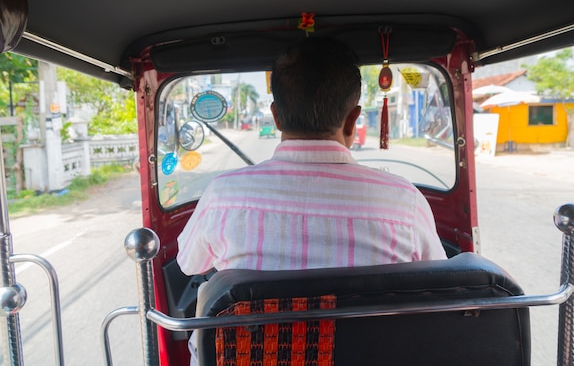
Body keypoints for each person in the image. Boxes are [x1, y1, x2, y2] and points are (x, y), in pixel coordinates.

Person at [177, 37, 446, 364]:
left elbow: (189, 264)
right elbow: (439, 290)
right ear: (353, 119)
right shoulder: (405, 202)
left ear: (276, 117)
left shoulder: (224, 194)